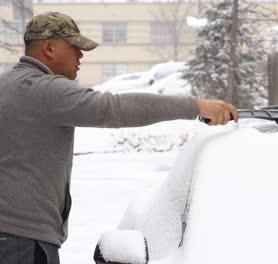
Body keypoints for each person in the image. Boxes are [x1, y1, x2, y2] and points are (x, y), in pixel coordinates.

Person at [0, 11, 238, 264]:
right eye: (74, 48)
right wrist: (196, 106)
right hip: (21, 243)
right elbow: (114, 109)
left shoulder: (7, 85)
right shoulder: (44, 90)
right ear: (49, 47)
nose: (81, 56)